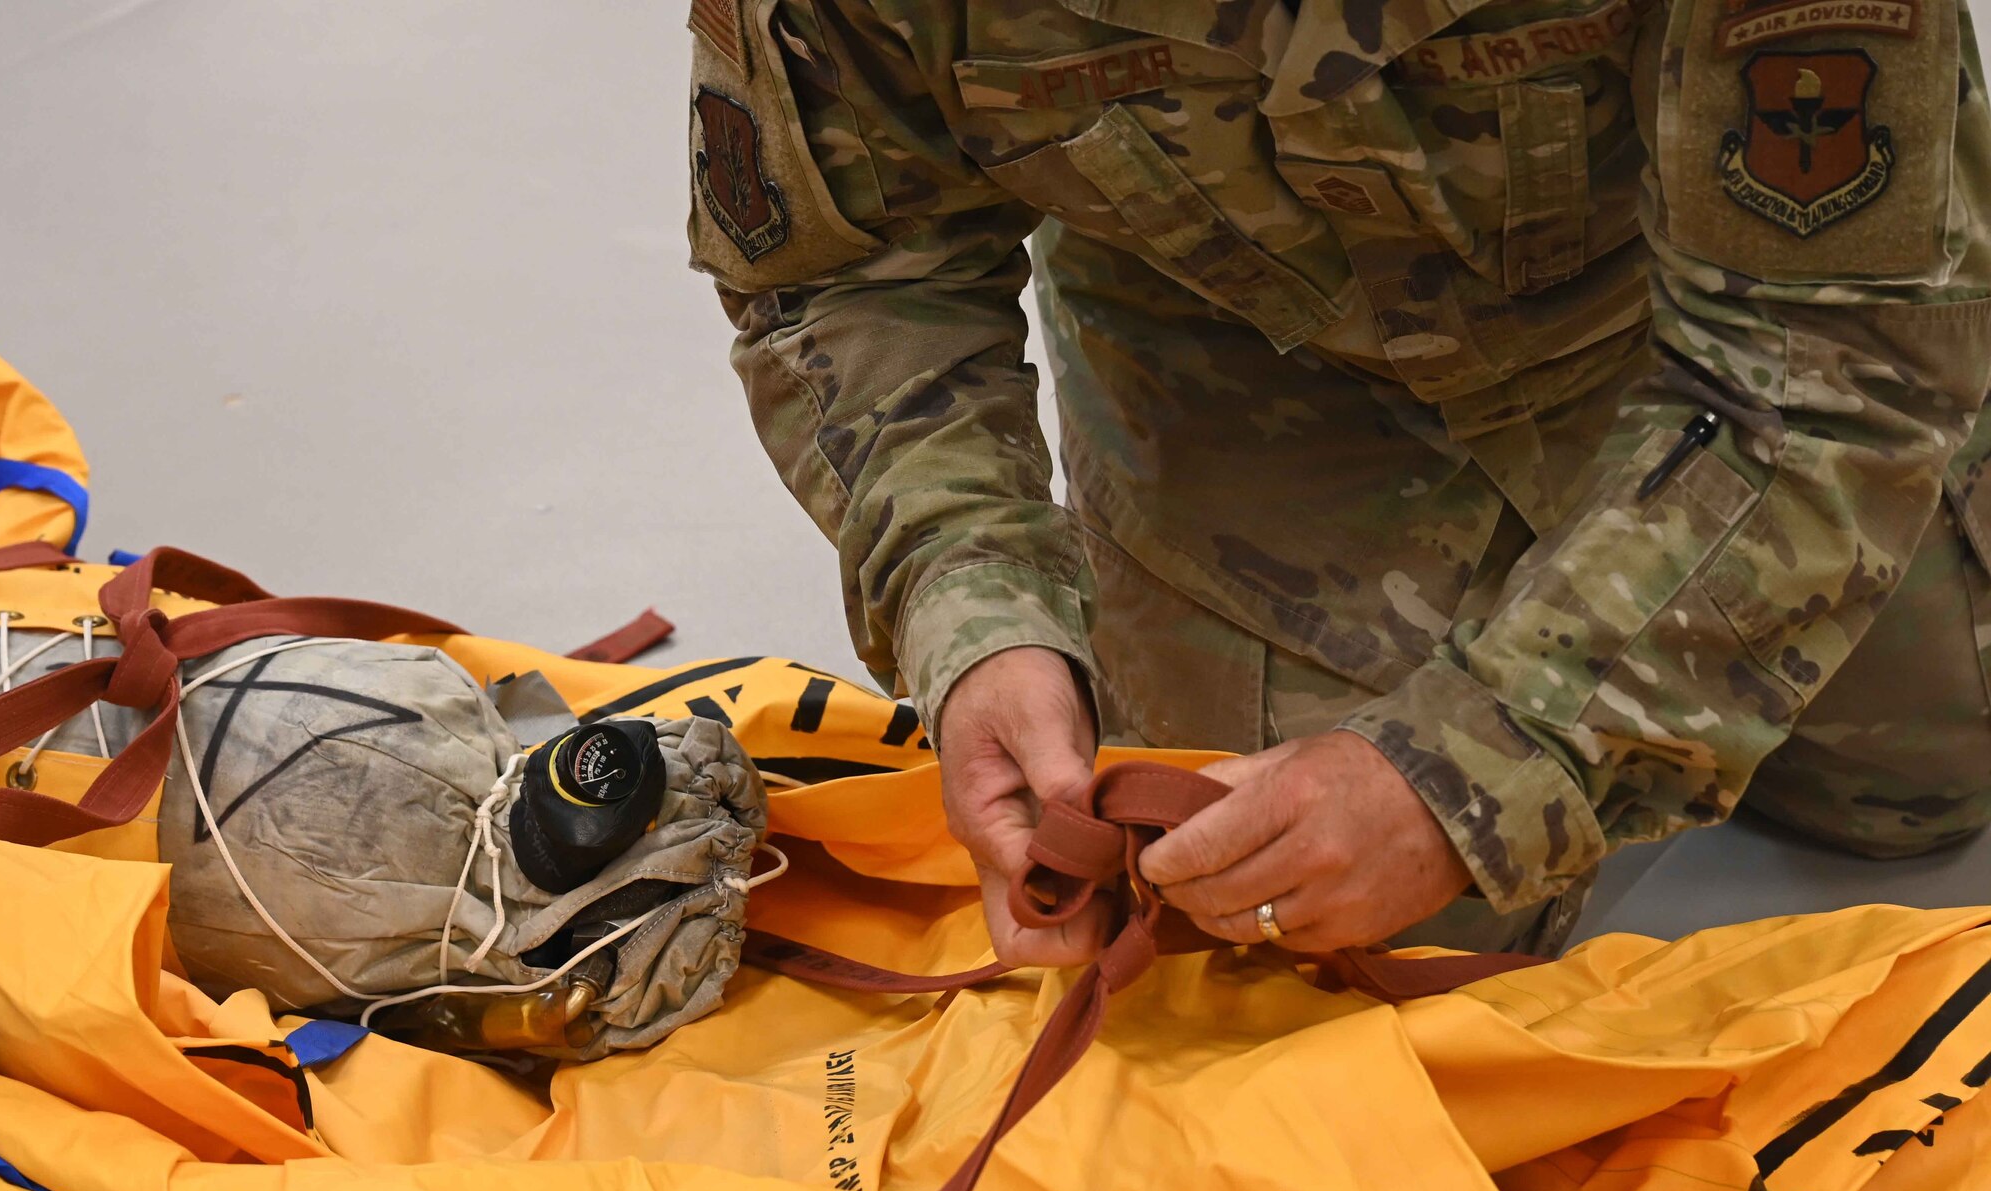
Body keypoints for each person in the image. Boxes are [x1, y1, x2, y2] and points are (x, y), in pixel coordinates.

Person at [685, 0, 1991, 966]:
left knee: (1928, 785)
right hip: (1245, 348)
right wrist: (973, 607)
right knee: (1274, 950)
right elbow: (847, 267)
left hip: (1692, 299)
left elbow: (1832, 356)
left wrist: (1473, 766)